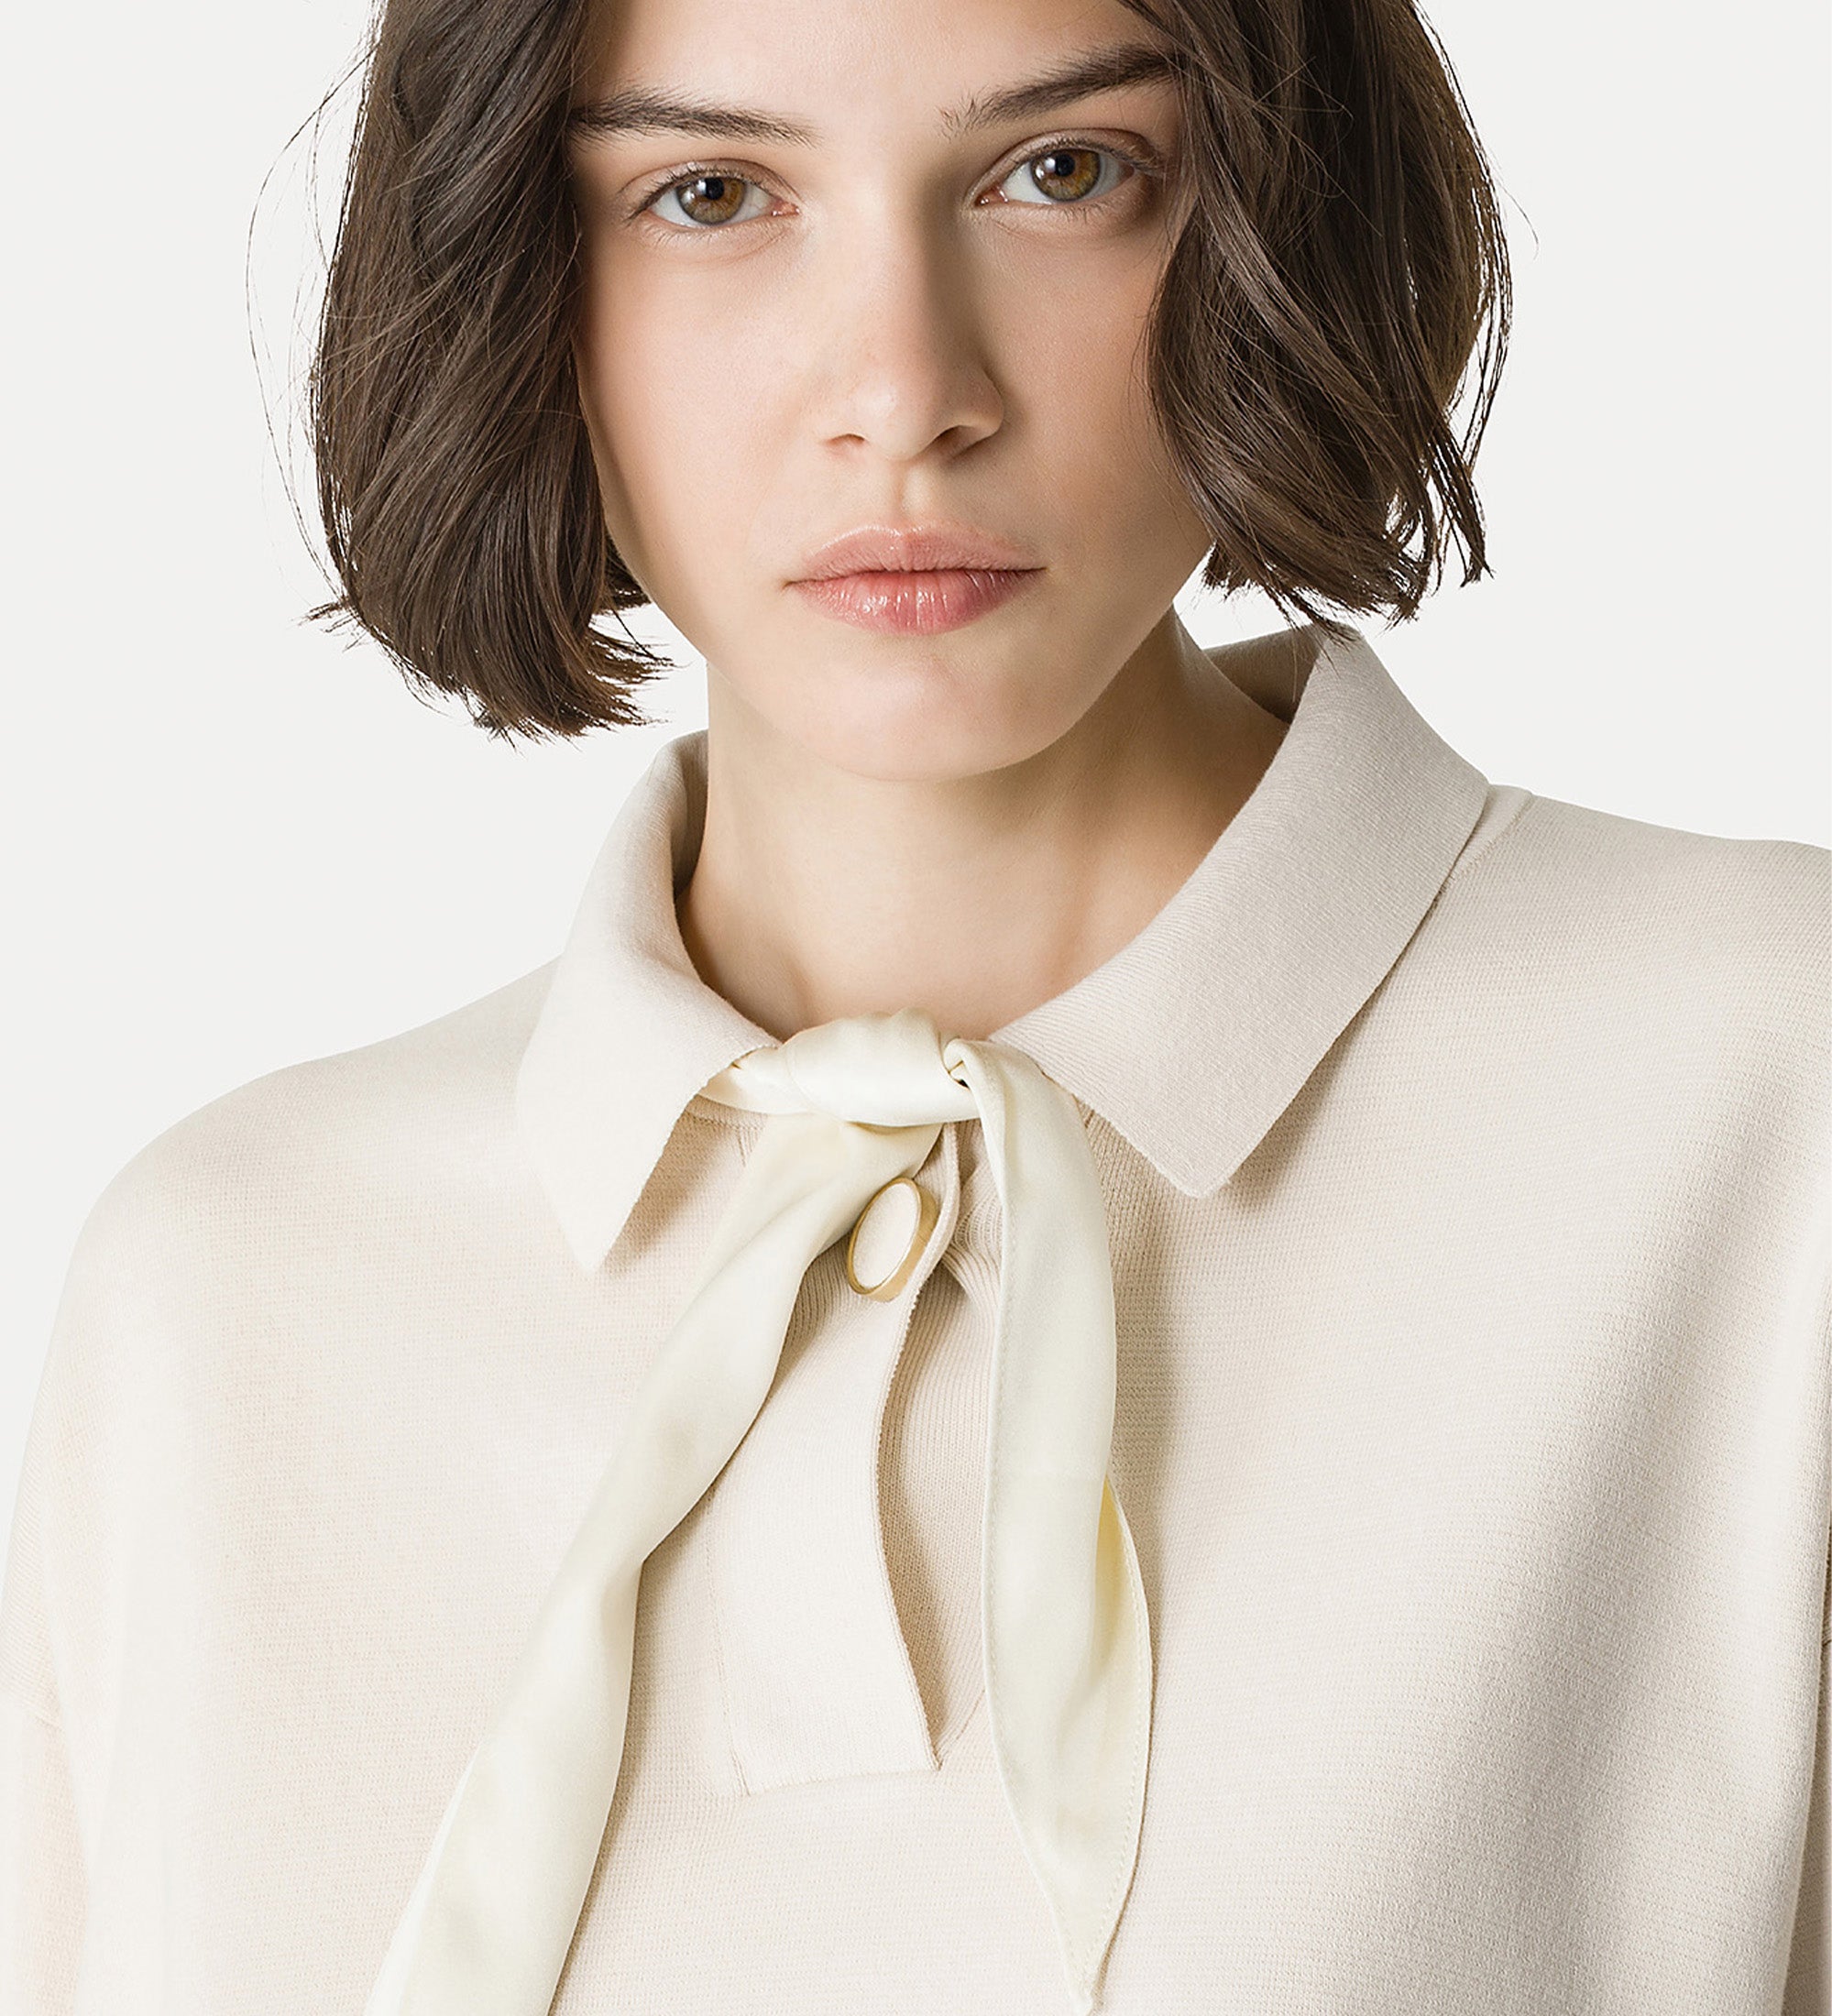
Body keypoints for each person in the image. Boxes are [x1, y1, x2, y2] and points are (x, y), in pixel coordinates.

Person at [2, 0, 1826, 2007]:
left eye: (1063, 172)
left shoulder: (1762, 1095)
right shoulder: (226, 1294)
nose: (900, 390)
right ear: (528, 272)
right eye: (708, 194)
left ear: (1267, 217)